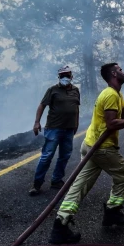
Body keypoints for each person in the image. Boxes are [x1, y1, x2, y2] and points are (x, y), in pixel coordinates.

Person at [49, 63, 124, 244]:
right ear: (113, 73)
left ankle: (60, 225)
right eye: (120, 69)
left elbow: (123, 111)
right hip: (102, 148)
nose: (123, 70)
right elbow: (111, 124)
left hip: (90, 145)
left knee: (80, 185)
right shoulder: (110, 94)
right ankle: (112, 211)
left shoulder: (116, 93)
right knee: (123, 175)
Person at [30, 66, 80, 196]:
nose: (65, 78)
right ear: (58, 77)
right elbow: (42, 105)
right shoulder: (52, 90)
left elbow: (76, 108)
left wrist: (76, 124)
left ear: (71, 76)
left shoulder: (75, 90)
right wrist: (36, 122)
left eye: (67, 75)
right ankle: (37, 184)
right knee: (47, 156)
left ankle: (56, 180)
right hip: (54, 128)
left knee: (65, 156)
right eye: (62, 75)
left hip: (69, 129)